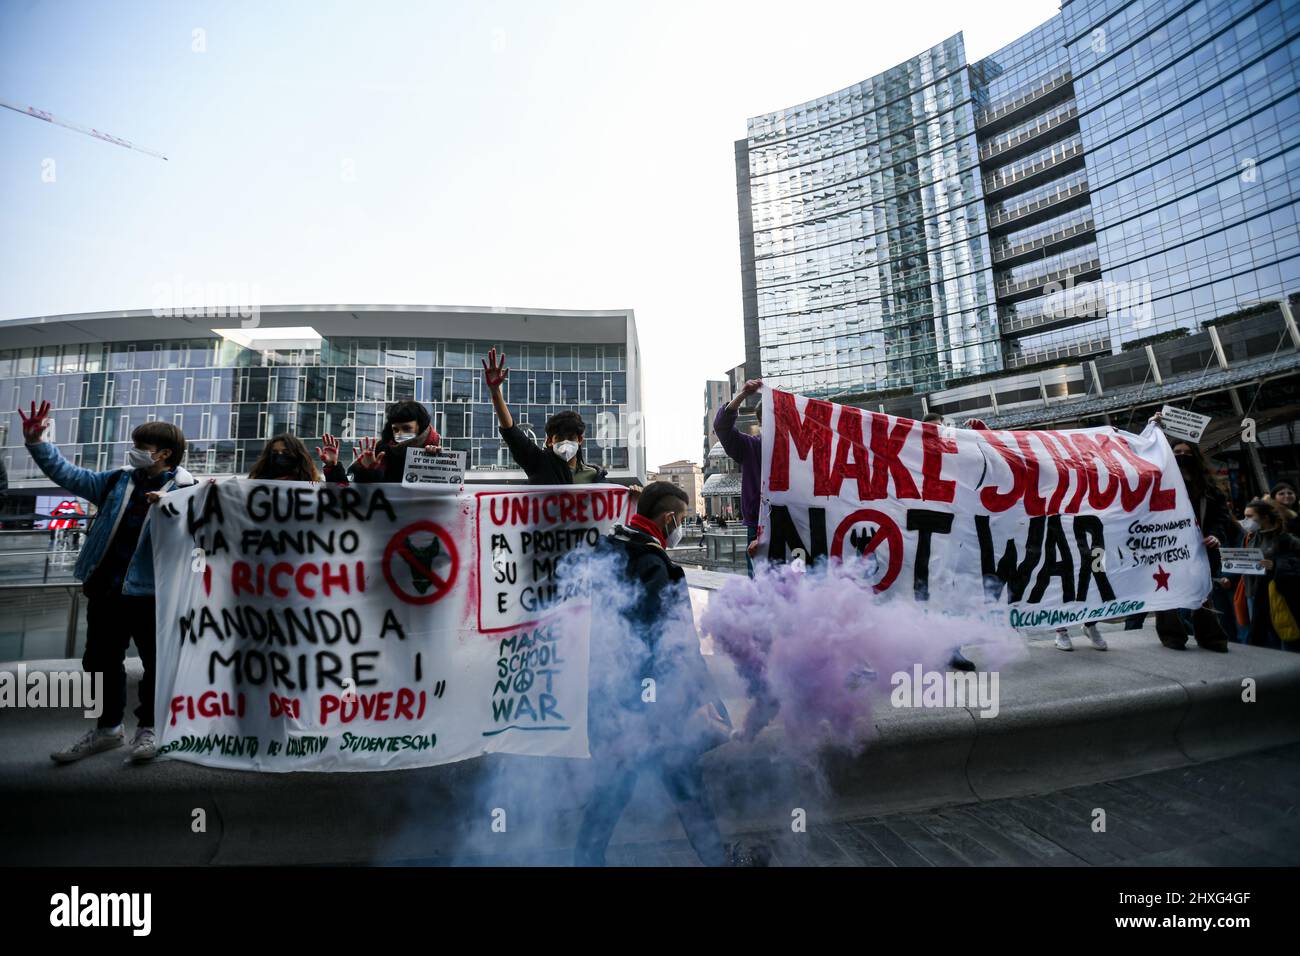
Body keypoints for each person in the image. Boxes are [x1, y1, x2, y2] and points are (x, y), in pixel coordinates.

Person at [18, 401, 195, 763]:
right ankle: (107, 729)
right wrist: (38, 443)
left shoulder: (188, 491)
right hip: (107, 590)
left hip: (153, 595)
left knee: (156, 664)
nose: (134, 452)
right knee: (98, 660)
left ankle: (150, 729)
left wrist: (172, 505)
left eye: (142, 447)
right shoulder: (116, 481)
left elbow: (205, 528)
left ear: (165, 454)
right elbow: (68, 475)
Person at [575, 481, 739, 866]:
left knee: (621, 787)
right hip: (650, 706)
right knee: (679, 783)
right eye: (681, 519)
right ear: (668, 519)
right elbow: (669, 642)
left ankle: (587, 860)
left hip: (613, 697)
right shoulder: (653, 564)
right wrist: (694, 699)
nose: (681, 525)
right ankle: (717, 860)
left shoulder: (613, 548)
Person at [1150, 419, 1233, 652]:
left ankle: (1211, 637)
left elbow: (1222, 517)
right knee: (1165, 591)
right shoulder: (1159, 482)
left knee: (1202, 592)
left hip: (1199, 548)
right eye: (1177, 452)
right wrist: (1154, 427)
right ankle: (1172, 636)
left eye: (1187, 452)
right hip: (1167, 547)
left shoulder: (1209, 487)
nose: (1182, 455)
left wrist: (1216, 535)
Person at [482, 348, 608, 485]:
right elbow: (512, 434)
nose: (565, 443)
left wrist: (632, 498)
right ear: (549, 441)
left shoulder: (596, 478)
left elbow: (612, 504)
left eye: (570, 437)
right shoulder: (538, 464)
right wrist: (495, 392)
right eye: (559, 438)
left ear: (580, 439)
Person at [1233, 498, 1300, 652]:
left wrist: (1276, 565)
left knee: (1283, 636)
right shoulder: (1251, 538)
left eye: (1250, 516)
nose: (1246, 520)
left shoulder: (1287, 539)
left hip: (1278, 596)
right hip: (1254, 595)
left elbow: (1295, 563)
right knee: (1263, 639)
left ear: (1265, 517)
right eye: (1244, 516)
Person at [714, 380, 761, 576]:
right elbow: (722, 426)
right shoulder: (750, 446)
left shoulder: (797, 450)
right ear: (761, 422)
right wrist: (742, 395)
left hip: (797, 522)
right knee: (761, 581)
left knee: (798, 579)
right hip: (758, 526)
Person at [347, 400, 441, 484]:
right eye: (395, 429)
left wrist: (435, 462)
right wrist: (367, 471)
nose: (399, 434)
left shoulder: (434, 450)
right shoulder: (380, 450)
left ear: (421, 427)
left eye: (406, 428)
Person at [248, 432, 347, 483]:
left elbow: (341, 498)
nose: (280, 455)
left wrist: (332, 466)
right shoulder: (255, 485)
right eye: (274, 453)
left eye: (286, 452)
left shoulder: (312, 486)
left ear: (297, 456)